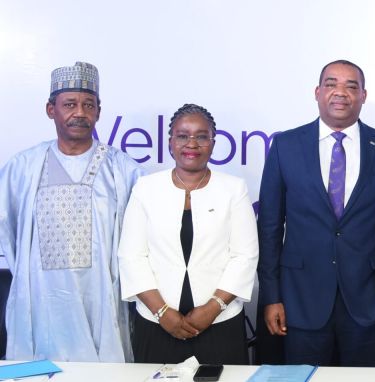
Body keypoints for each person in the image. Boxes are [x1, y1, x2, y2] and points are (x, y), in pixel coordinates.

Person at [256, 60, 375, 366]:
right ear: (317, 92)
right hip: (300, 299)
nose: (341, 92)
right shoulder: (285, 145)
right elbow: (269, 227)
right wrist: (271, 296)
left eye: (351, 86)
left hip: (368, 300)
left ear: (363, 95)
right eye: (332, 84)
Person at [0, 62, 143, 362]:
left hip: (101, 299)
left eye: (88, 105)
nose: (79, 112)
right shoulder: (22, 168)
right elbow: (8, 231)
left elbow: (138, 244)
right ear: (51, 109)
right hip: (40, 302)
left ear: (99, 112)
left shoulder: (123, 170)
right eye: (69, 104)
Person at [117, 104, 257, 364]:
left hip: (219, 322)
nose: (191, 143)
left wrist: (213, 308)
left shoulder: (233, 189)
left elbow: (245, 256)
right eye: (183, 135)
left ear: (213, 144)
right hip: (157, 323)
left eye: (201, 136)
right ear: (170, 143)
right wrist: (162, 312)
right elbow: (131, 256)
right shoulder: (146, 188)